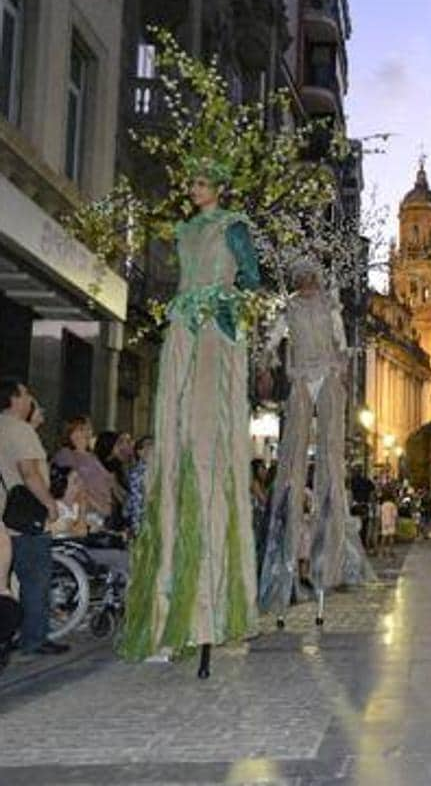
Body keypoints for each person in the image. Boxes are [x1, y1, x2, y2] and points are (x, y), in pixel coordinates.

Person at [118, 156, 261, 674]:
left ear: (219, 188)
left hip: (213, 330)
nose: (194, 188)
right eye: (193, 181)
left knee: (205, 436)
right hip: (183, 326)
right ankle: (166, 612)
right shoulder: (183, 228)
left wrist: (222, 300)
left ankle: (208, 607)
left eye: (202, 182)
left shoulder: (233, 227)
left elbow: (252, 277)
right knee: (174, 432)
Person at [258, 259, 368, 624]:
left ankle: (334, 560)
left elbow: (341, 342)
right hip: (303, 377)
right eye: (302, 278)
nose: (307, 283)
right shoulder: (289, 308)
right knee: (291, 463)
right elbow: (273, 337)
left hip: (328, 379)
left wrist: (343, 368)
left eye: (311, 278)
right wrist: (265, 361)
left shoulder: (330, 307)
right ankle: (284, 565)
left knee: (331, 460)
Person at [0, 383, 65, 656]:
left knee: (7, 579)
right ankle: (34, 638)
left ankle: (9, 633)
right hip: (26, 517)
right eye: (26, 394)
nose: (30, 399)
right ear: (15, 398)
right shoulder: (20, 430)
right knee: (35, 578)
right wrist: (49, 504)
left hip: (3, 517)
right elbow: (29, 473)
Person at [51, 417, 117, 526]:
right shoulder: (67, 454)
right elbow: (72, 484)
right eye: (81, 429)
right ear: (70, 433)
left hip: (102, 511)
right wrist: (97, 506)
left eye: (88, 429)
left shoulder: (92, 456)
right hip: (85, 513)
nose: (86, 433)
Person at [124, 436, 153, 539]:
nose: (152, 448)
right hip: (141, 524)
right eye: (149, 445)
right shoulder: (137, 473)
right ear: (139, 452)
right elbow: (137, 502)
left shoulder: (151, 470)